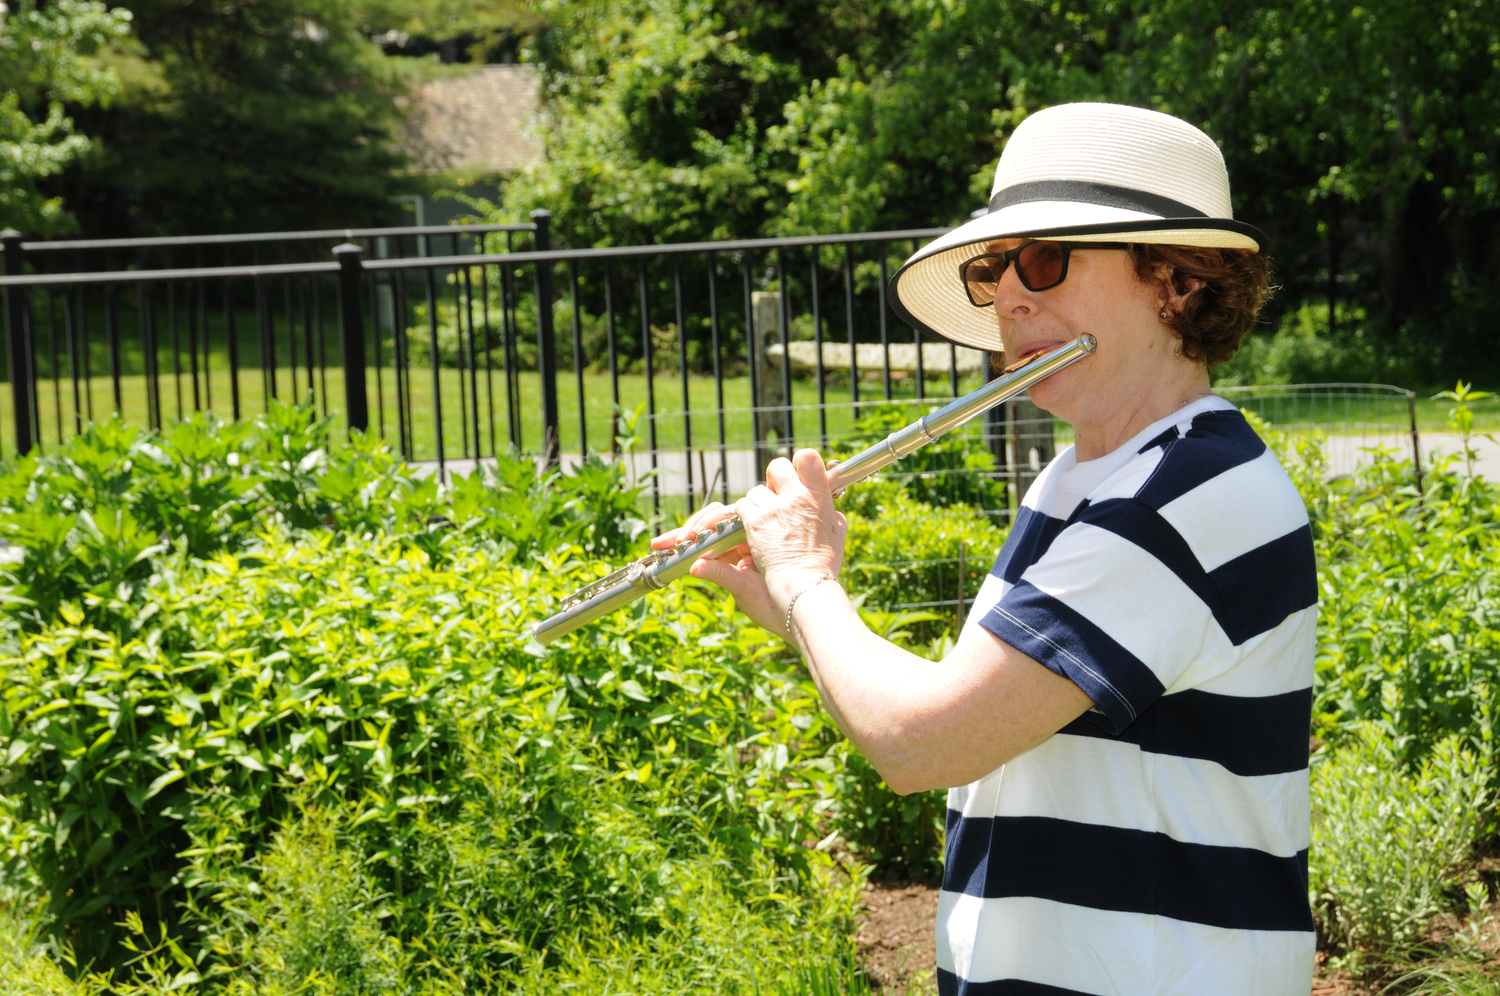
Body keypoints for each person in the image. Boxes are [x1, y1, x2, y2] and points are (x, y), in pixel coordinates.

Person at [652, 102, 1316, 995]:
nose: (1010, 295)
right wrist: (792, 607)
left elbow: (922, 745)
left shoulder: (1181, 498)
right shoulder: (1085, 478)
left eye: (1045, 259)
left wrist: (809, 579)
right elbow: (984, 713)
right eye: (994, 268)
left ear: (1176, 281)